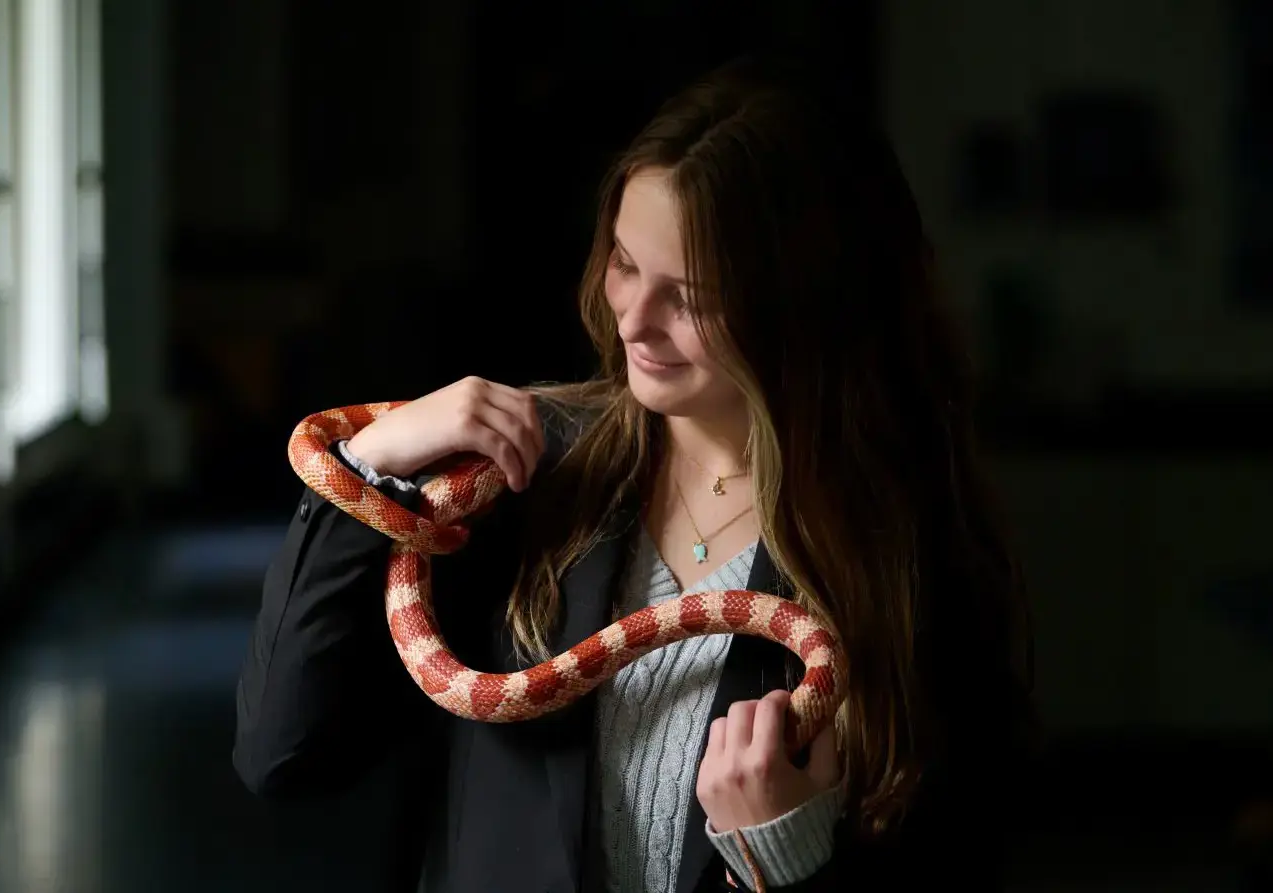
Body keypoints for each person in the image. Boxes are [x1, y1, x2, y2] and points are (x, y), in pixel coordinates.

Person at [234, 56, 1036, 893]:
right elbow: (281, 753)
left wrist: (787, 861)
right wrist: (371, 471)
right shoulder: (522, 477)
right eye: (623, 263)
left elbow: (959, 853)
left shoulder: (911, 561)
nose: (633, 322)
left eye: (688, 296)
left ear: (806, 309)